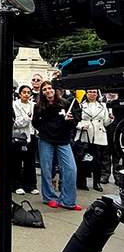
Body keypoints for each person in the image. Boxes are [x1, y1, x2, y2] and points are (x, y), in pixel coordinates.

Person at [33, 81, 82, 210]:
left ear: (55, 90)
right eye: (45, 89)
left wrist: (70, 120)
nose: (48, 91)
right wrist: (45, 129)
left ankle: (68, 200)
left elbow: (73, 123)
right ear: (42, 93)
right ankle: (49, 197)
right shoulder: (38, 107)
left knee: (71, 169)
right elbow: (35, 123)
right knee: (47, 169)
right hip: (46, 140)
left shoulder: (65, 104)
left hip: (63, 140)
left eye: (50, 88)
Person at [75, 89, 113, 192]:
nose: (92, 94)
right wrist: (81, 127)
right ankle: (81, 182)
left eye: (94, 92)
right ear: (86, 94)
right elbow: (76, 120)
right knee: (83, 159)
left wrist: (110, 118)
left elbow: (105, 122)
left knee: (97, 160)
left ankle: (97, 182)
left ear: (97, 94)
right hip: (84, 134)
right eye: (90, 92)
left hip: (98, 135)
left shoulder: (103, 106)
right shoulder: (80, 106)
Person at [12, 85, 38, 195]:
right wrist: (27, 118)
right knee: (17, 161)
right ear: (20, 94)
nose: (26, 94)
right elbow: (16, 122)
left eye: (28, 92)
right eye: (24, 92)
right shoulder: (14, 105)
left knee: (30, 161)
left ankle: (31, 185)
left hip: (31, 135)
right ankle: (17, 185)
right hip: (18, 135)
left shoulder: (34, 105)